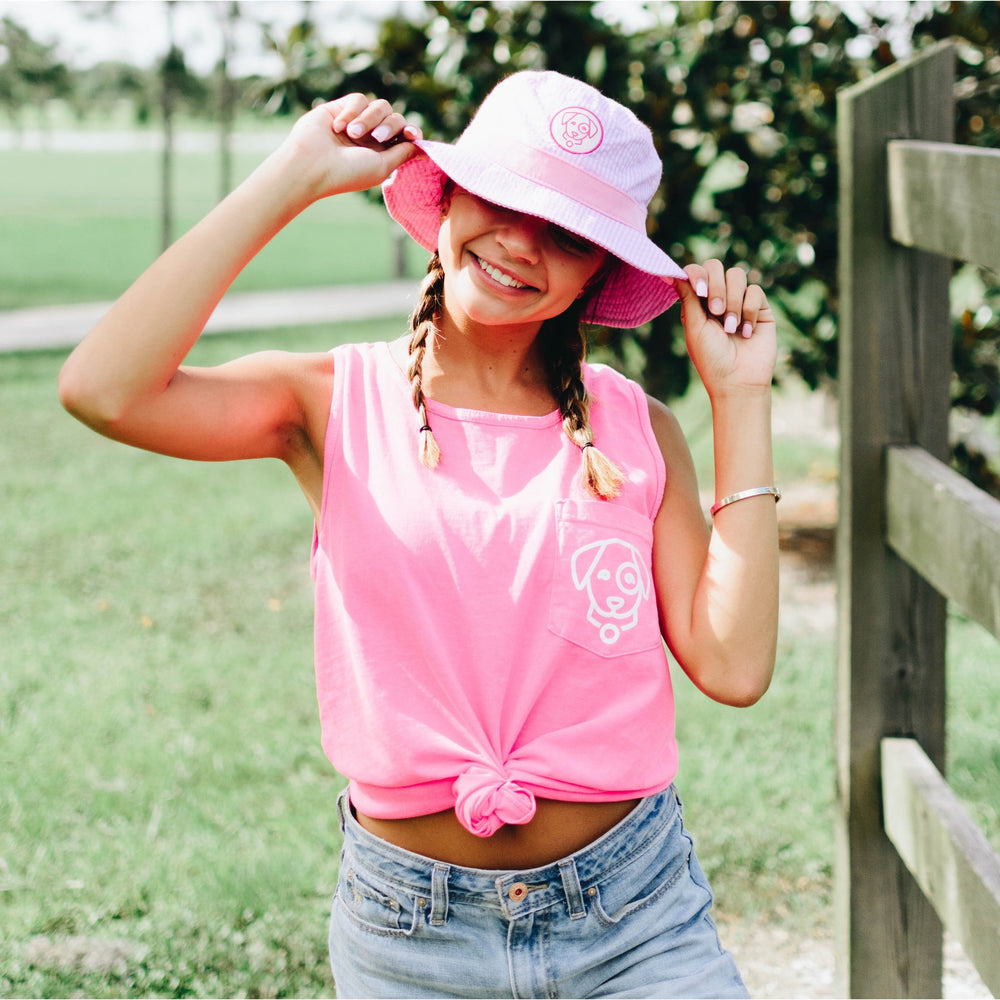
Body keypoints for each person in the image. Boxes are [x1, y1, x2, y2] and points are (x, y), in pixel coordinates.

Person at [59, 70, 779, 999]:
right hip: (412, 937)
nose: (521, 243)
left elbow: (733, 665)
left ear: (598, 268)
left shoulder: (636, 429)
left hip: (634, 920)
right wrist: (290, 176)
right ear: (446, 192)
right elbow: (103, 390)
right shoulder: (329, 401)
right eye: (503, 198)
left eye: (565, 232)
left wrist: (742, 398)